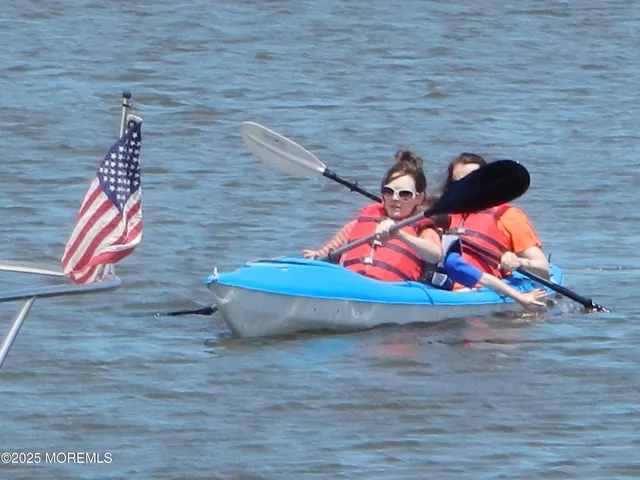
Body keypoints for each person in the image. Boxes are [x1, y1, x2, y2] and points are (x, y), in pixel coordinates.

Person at [302, 151, 443, 282]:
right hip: (350, 283)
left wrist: (399, 235)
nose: (395, 198)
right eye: (389, 191)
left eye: (404, 194)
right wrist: (316, 255)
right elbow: (329, 250)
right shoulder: (360, 222)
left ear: (419, 198)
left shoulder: (423, 229)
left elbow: (435, 255)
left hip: (391, 292)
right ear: (382, 195)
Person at [442, 153, 550, 284]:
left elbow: (544, 269)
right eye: (459, 183)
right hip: (446, 289)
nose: (466, 188)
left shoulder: (508, 216)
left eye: (473, 181)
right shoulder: (443, 216)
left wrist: (518, 262)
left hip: (486, 290)